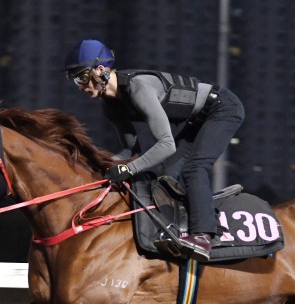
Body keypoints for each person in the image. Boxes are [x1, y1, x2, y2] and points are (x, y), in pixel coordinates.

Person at [63, 38, 245, 262]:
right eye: (75, 81)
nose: (81, 86)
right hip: (194, 121)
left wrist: (127, 169)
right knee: (165, 175)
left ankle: (204, 235)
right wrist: (105, 167)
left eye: (82, 77)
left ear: (101, 70)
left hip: (222, 108)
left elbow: (166, 144)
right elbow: (131, 149)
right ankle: (184, 228)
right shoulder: (111, 106)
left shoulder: (138, 87)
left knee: (194, 168)